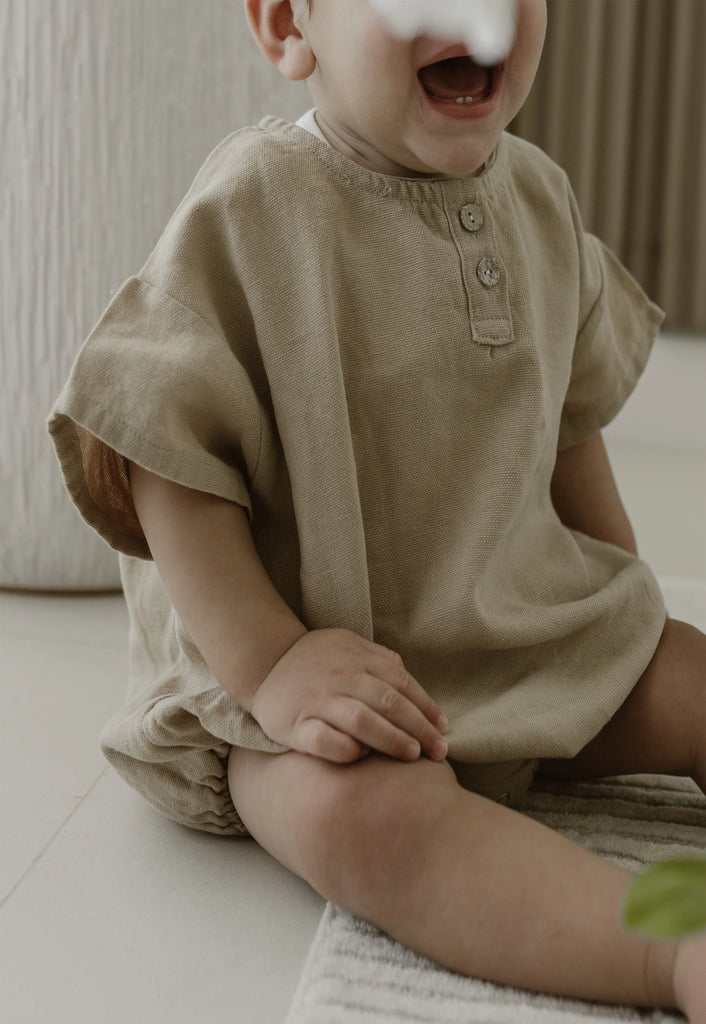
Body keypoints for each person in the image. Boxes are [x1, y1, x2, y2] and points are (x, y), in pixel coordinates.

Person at [49, 0, 705, 1015]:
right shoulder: (256, 205)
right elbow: (158, 447)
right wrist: (273, 665)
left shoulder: (534, 194)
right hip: (305, 684)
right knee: (370, 826)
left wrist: (617, 623)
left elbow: (565, 418)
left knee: (695, 676)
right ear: (285, 25)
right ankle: (666, 949)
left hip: (508, 635)